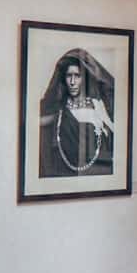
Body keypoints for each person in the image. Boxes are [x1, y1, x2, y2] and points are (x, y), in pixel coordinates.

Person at [39, 49, 115, 177]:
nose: (72, 82)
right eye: (69, 76)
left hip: (97, 174)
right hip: (63, 174)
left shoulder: (98, 107)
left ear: (84, 78)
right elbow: (38, 122)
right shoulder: (60, 110)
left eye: (77, 76)